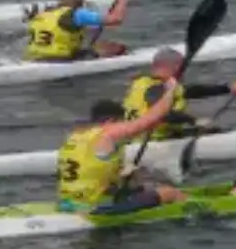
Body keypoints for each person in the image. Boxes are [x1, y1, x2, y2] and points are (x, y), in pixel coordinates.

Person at [58, 89, 192, 215]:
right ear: (111, 121)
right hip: (95, 208)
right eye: (121, 123)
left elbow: (90, 173)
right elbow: (147, 121)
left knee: (143, 186)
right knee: (170, 193)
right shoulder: (107, 134)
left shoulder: (74, 137)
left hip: (68, 203)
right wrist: (170, 91)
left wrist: (125, 176)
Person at [120, 49, 236, 140]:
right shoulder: (157, 88)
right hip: (152, 142)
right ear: (174, 66)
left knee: (210, 130)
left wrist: (228, 88)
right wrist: (194, 121)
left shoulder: (141, 82)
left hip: (135, 138)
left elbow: (193, 91)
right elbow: (162, 113)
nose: (182, 73)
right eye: (181, 68)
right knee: (216, 133)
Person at [25, 0, 130, 61]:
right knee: (117, 48)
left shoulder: (44, 12)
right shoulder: (77, 14)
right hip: (60, 60)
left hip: (35, 58)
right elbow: (116, 19)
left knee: (97, 46)